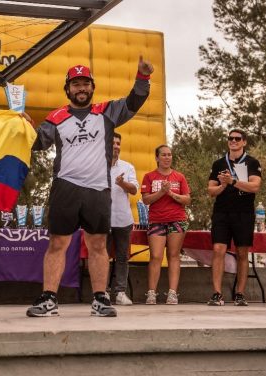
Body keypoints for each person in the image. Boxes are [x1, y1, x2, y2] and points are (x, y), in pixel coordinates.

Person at [24, 56, 153, 317]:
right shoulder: (57, 117)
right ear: (68, 89)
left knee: (97, 245)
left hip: (97, 189)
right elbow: (38, 143)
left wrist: (143, 78)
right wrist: (24, 127)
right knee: (58, 244)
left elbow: (133, 102)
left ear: (92, 87)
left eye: (85, 83)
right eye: (76, 84)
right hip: (65, 186)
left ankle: (100, 299)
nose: (81, 88)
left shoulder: (106, 111)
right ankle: (48, 299)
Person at [206, 129, 261, 306]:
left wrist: (233, 182)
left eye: (237, 139)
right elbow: (210, 191)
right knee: (218, 250)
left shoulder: (252, 162)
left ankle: (240, 294)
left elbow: (254, 187)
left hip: (244, 213)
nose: (233, 141)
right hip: (222, 212)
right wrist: (223, 185)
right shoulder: (219, 163)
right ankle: (216, 293)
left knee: (242, 252)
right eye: (230, 138)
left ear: (244, 142)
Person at [141, 145, 191, 305]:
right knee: (156, 256)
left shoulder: (179, 177)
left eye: (169, 155)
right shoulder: (149, 176)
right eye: (163, 155)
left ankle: (172, 293)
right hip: (156, 220)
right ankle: (151, 293)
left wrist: (171, 193)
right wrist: (162, 192)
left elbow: (187, 199)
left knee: (174, 255)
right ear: (157, 158)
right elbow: (146, 200)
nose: (167, 157)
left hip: (177, 219)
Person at [109, 132, 139, 305]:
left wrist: (122, 183)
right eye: (113, 143)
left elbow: (134, 190)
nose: (116, 146)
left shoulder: (127, 167)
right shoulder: (96, 165)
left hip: (122, 218)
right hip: (101, 218)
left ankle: (120, 292)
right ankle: (101, 292)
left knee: (122, 257)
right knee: (101, 257)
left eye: (118, 143)